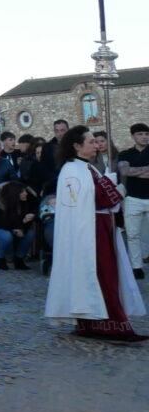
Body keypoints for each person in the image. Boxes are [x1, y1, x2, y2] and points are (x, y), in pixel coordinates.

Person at [44, 127, 146, 342]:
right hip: (89, 232)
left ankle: (97, 323)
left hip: (100, 228)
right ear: (77, 146)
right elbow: (99, 199)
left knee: (108, 274)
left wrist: (107, 184)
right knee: (102, 275)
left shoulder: (89, 168)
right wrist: (112, 188)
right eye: (91, 141)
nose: (96, 145)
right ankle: (108, 325)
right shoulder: (71, 171)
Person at [0, 180, 36, 270]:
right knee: (6, 235)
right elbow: (0, 223)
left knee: (29, 234)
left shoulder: (22, 203)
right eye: (22, 191)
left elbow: (18, 223)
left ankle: (19, 259)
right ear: (15, 193)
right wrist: (15, 229)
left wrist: (25, 222)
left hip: (8, 229)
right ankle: (0, 259)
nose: (26, 193)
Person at [118, 123, 149, 278]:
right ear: (133, 136)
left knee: (145, 233)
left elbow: (130, 171)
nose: (144, 137)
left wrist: (134, 171)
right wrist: (146, 169)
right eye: (140, 134)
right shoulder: (125, 154)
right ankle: (136, 266)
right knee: (132, 234)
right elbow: (124, 171)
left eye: (146, 134)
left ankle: (146, 255)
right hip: (132, 199)